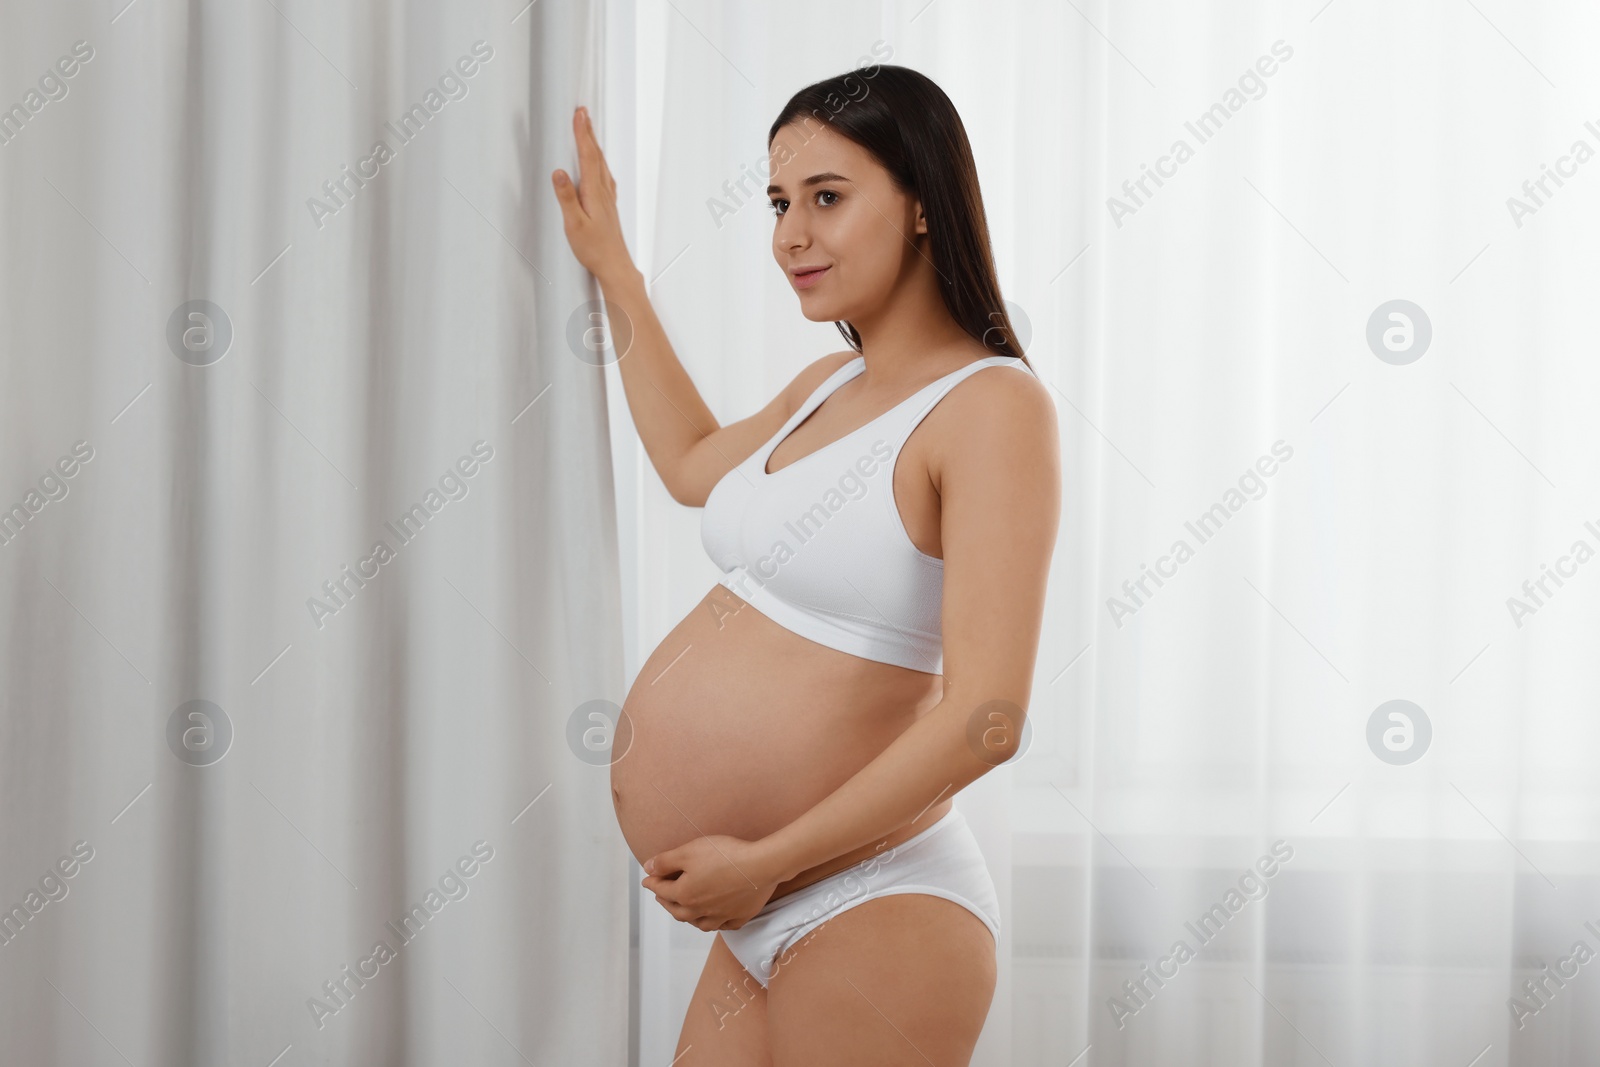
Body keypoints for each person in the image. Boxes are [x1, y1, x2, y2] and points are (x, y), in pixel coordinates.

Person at [552, 64, 1060, 1067]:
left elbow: (987, 714)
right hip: (763, 904)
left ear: (921, 203)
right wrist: (618, 275)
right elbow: (694, 464)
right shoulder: (831, 380)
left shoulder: (992, 407)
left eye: (827, 198)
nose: (790, 234)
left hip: (873, 898)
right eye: (779, 202)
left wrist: (766, 860)